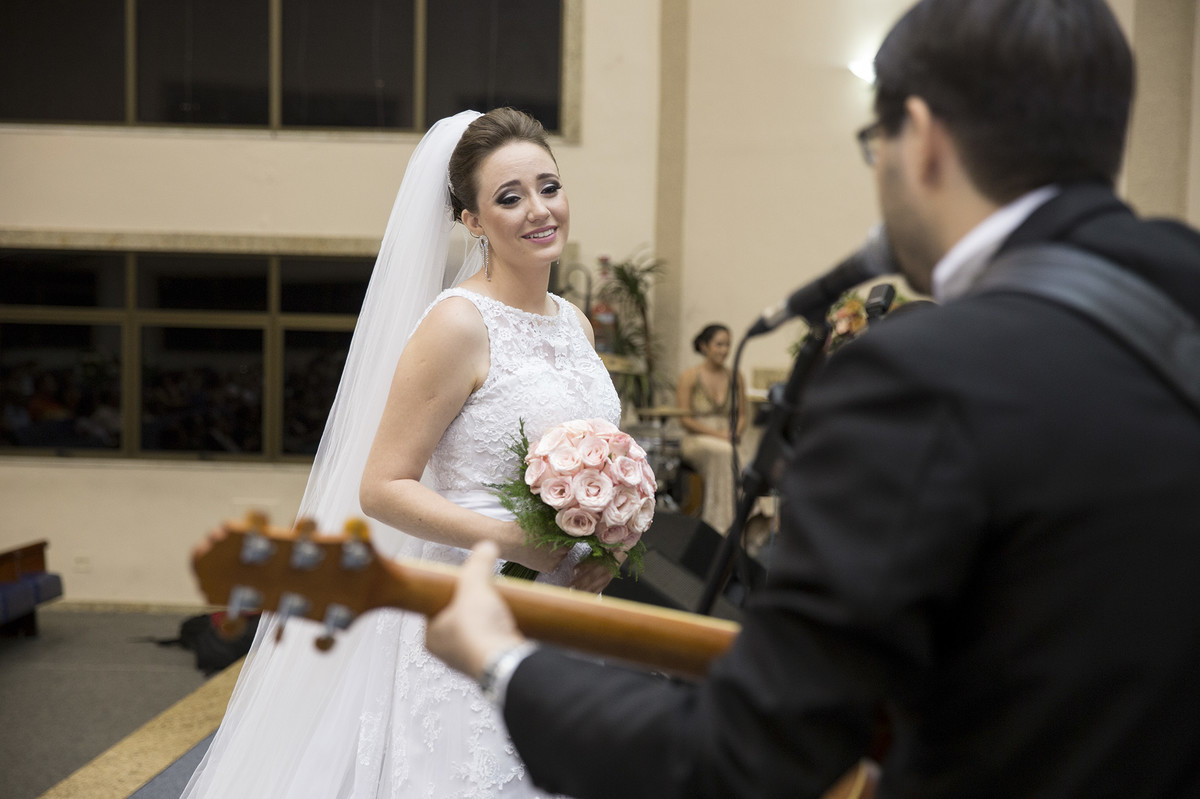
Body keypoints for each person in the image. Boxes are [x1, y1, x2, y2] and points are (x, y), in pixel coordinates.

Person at [424, 1, 1200, 797]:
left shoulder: (918, 379)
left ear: (923, 137)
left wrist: (505, 662)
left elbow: (749, 755)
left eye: (876, 145)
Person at [183, 108, 621, 798]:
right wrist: (516, 540)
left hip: (565, 615)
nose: (540, 210)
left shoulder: (573, 322)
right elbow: (383, 484)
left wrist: (608, 533)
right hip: (462, 609)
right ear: (472, 220)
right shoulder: (456, 324)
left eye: (549, 186)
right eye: (509, 197)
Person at [674, 323, 747, 532]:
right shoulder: (689, 376)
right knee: (725, 453)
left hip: (729, 440)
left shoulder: (736, 377)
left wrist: (735, 433)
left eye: (728, 345)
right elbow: (685, 420)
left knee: (744, 457)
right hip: (697, 438)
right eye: (719, 344)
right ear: (705, 346)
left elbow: (742, 415)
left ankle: (744, 526)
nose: (724, 350)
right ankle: (719, 527)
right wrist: (720, 436)